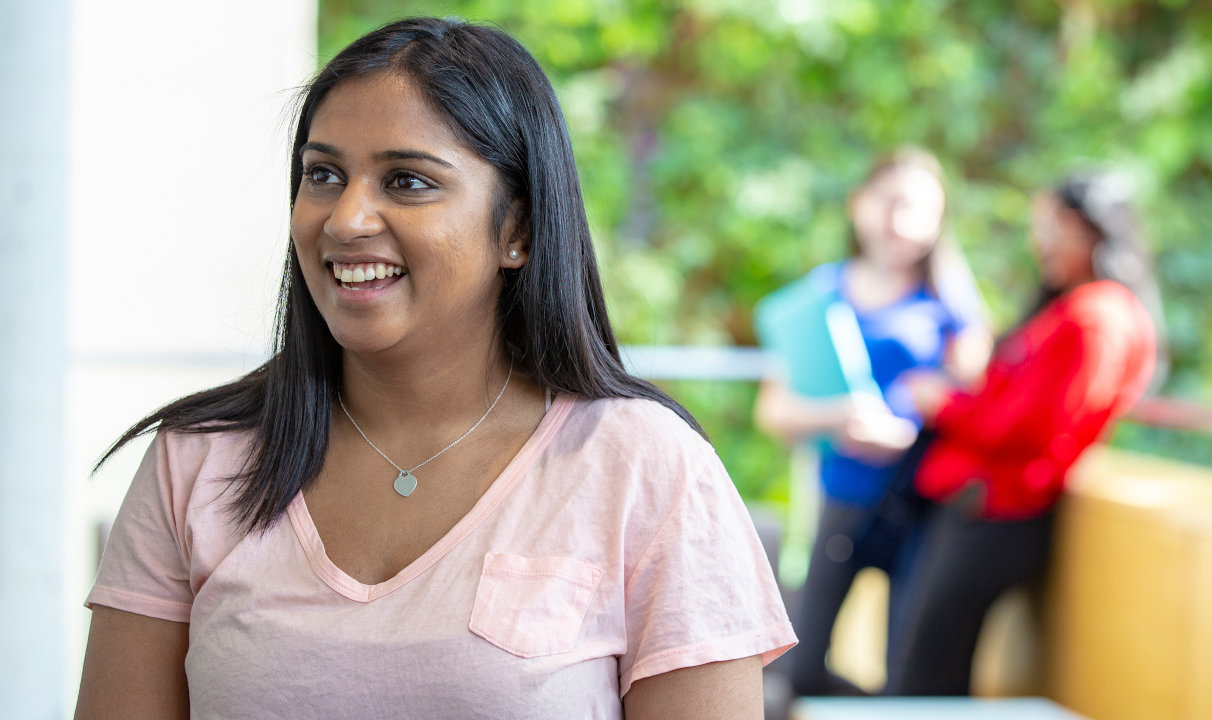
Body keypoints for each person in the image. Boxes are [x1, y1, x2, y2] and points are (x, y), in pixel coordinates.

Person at [75, 17, 795, 719]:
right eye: (323, 174)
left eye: (408, 182)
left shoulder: (646, 465)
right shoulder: (196, 458)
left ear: (517, 229)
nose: (345, 218)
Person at [885, 171, 1162, 696]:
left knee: (924, 674)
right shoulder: (1077, 307)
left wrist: (944, 402)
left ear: (1097, 233)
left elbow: (1030, 427)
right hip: (980, 505)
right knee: (927, 666)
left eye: (1057, 228)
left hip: (997, 510)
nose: (1044, 242)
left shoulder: (1097, 317)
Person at [753, 148, 989, 697]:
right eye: (890, 202)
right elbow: (774, 411)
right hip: (843, 502)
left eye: (920, 210)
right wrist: (844, 417)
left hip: (921, 506)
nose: (901, 222)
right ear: (859, 204)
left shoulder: (953, 305)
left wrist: (916, 422)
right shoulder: (819, 296)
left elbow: (980, 412)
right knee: (802, 667)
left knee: (907, 671)